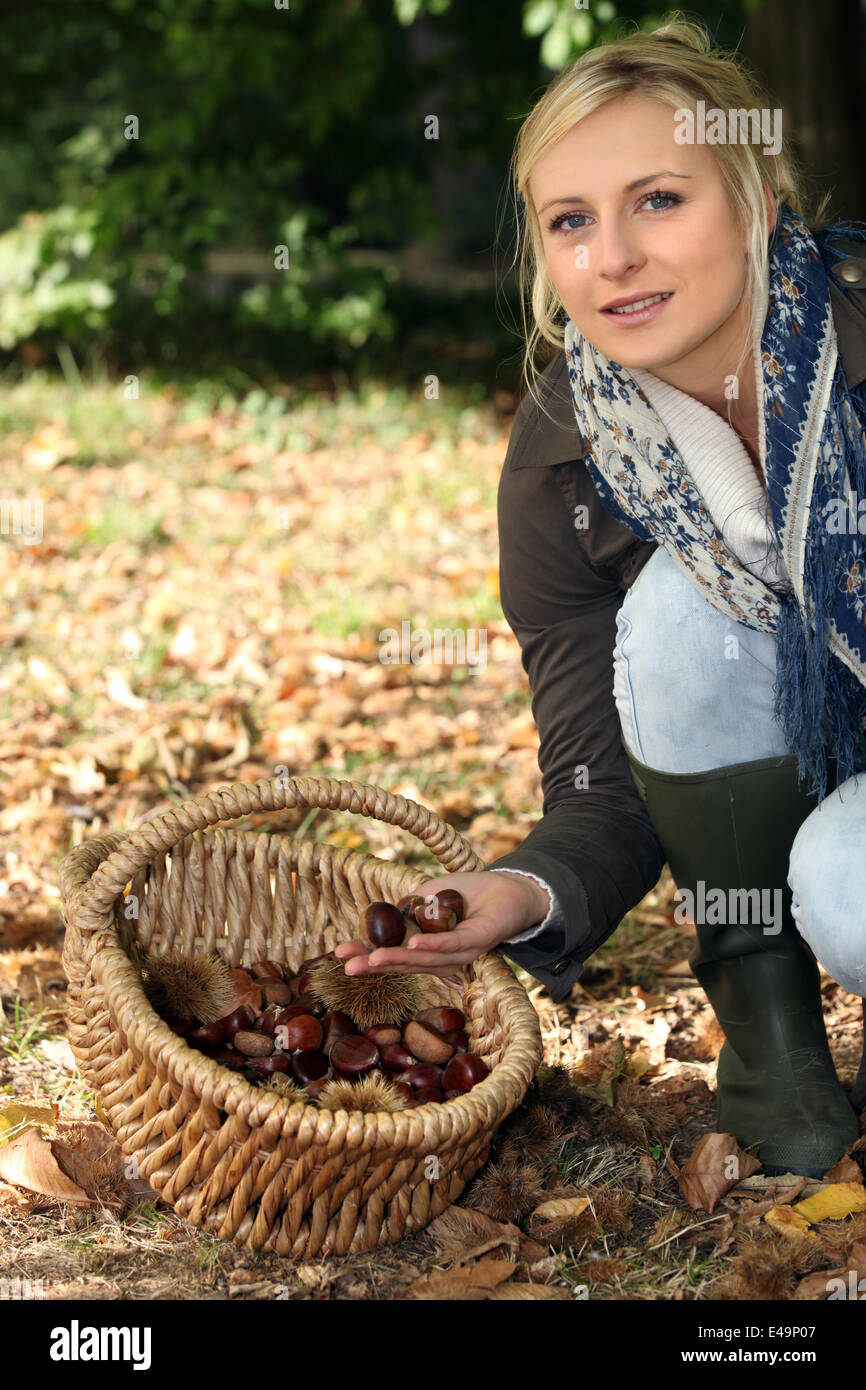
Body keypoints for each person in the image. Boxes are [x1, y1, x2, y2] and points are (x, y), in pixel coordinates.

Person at [336, 16, 866, 1178]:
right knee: (680, 619)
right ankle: (769, 1040)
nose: (611, 257)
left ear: (758, 200)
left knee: (850, 884)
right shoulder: (563, 451)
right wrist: (518, 891)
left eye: (658, 201)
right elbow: (602, 777)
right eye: (569, 221)